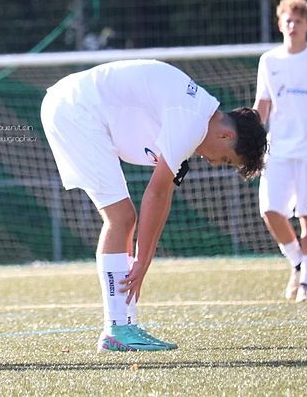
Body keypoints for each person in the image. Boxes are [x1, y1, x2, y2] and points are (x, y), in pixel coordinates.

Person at [41, 59, 267, 351]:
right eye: (225, 159)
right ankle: (116, 331)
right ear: (227, 135)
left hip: (75, 107)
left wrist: (143, 259)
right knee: (121, 218)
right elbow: (156, 193)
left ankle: (124, 325)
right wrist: (142, 261)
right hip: (74, 109)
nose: (213, 162)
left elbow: (165, 193)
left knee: (124, 219)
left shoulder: (197, 114)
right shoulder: (191, 121)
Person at [253, 0, 307, 303]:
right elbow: (262, 106)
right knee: (269, 210)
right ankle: (298, 262)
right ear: (280, 24)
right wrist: (252, 143)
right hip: (277, 150)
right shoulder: (269, 60)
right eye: (288, 21)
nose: (292, 26)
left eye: (298, 21)